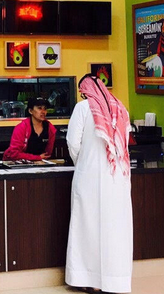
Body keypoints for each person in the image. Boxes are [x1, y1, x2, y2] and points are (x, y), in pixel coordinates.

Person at [65, 74, 132, 294]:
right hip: (118, 178)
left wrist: (82, 162)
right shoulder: (120, 109)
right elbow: (124, 143)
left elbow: (73, 142)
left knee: (87, 227)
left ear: (84, 90)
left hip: (89, 177)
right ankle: (115, 281)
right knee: (115, 229)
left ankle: (88, 280)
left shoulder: (83, 108)